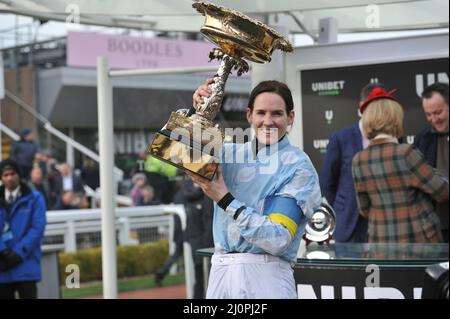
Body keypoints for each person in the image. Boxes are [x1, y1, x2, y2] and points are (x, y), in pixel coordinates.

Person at [188, 79, 322, 299]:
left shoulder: (299, 167)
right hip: (221, 270)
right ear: (249, 115)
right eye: (261, 113)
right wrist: (198, 113)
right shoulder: (228, 153)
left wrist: (225, 199)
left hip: (267, 275)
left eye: (277, 113)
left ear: (291, 117)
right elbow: (179, 153)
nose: (267, 121)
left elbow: (277, 239)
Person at [352, 87, 449, 243]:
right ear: (395, 118)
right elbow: (442, 191)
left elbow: (364, 209)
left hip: (380, 244)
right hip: (418, 244)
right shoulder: (406, 154)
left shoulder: (358, 160)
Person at [320, 83, 387, 243]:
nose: (376, 114)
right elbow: (327, 183)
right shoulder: (341, 138)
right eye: (372, 108)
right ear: (361, 107)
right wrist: (343, 207)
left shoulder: (394, 138)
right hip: (349, 223)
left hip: (385, 223)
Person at [0, 159, 47, 299]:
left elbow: (38, 228)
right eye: (5, 174)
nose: (9, 178)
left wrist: (18, 253)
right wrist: (2, 251)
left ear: (19, 175)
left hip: (26, 264)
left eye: (12, 173)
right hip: (2, 267)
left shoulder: (35, 198)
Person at [414, 82, 449, 242]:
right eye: (429, 114)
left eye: (438, 112)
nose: (434, 119)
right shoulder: (422, 138)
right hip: (436, 225)